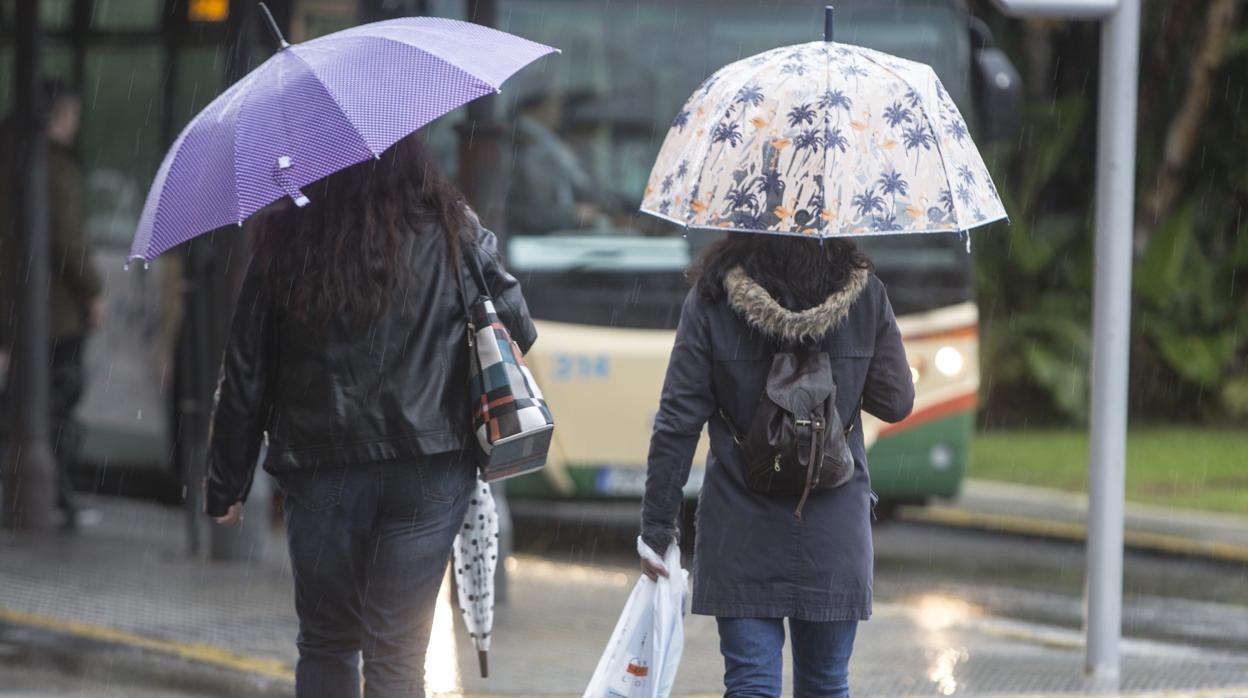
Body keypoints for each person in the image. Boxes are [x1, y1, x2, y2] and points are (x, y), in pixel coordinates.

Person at [204, 133, 536, 698]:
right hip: (431, 467)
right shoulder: (452, 228)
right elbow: (518, 329)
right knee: (399, 651)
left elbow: (245, 373)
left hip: (321, 467)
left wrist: (226, 483)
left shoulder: (285, 240)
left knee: (329, 641)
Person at [639, 235, 914, 698]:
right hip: (833, 525)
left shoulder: (713, 297)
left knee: (750, 684)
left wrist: (656, 529)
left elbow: (677, 422)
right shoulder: (864, 295)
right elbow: (896, 401)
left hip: (740, 523)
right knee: (827, 684)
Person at [0, 81, 103, 529]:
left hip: (14, 304)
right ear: (62, 115)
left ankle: (28, 488)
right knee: (57, 403)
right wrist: (93, 288)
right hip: (53, 311)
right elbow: (67, 240)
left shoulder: (10, 157)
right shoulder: (55, 166)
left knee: (22, 401)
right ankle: (53, 495)